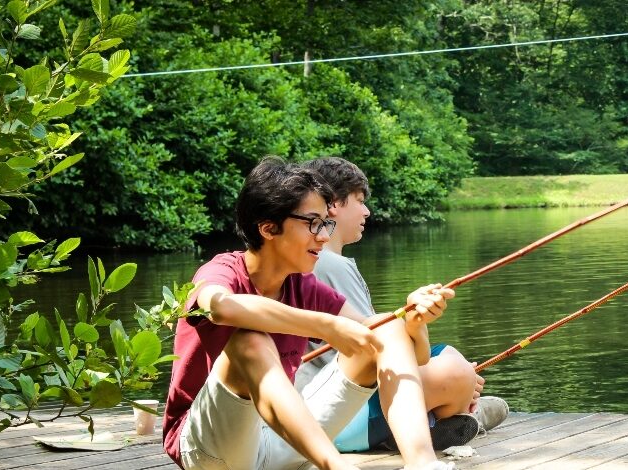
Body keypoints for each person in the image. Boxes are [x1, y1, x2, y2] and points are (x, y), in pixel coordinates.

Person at [162, 156, 459, 470]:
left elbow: (411, 353)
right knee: (249, 341)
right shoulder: (221, 271)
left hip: (282, 440)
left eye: (325, 223)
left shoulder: (304, 287)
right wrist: (326, 325)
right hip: (211, 452)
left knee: (384, 327)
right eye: (312, 223)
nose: (323, 236)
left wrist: (413, 321)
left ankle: (423, 464)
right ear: (268, 227)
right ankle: (336, 465)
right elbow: (221, 307)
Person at [295, 157, 509, 453]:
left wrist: (413, 323)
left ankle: (449, 413)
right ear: (333, 204)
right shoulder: (329, 264)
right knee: (453, 366)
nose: (367, 211)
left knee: (447, 361)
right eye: (359, 200)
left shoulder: (312, 263)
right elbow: (378, 350)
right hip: (340, 420)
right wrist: (460, 376)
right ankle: (455, 415)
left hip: (323, 414)